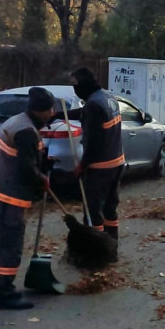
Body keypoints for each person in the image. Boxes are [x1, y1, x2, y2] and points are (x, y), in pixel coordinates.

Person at [0, 87, 54, 310]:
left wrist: (44, 166)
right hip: (9, 195)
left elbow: (26, 158)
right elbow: (26, 168)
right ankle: (3, 294)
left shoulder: (18, 121)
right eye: (51, 110)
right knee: (10, 246)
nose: (53, 114)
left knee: (1, 245)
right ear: (43, 111)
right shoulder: (26, 132)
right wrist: (42, 179)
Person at [71, 67, 124, 241]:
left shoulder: (93, 105)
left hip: (100, 167)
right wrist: (58, 114)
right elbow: (87, 113)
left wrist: (82, 166)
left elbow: (93, 143)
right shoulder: (107, 97)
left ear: (83, 86)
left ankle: (97, 249)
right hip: (116, 162)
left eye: (76, 85)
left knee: (92, 210)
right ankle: (112, 245)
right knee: (110, 208)